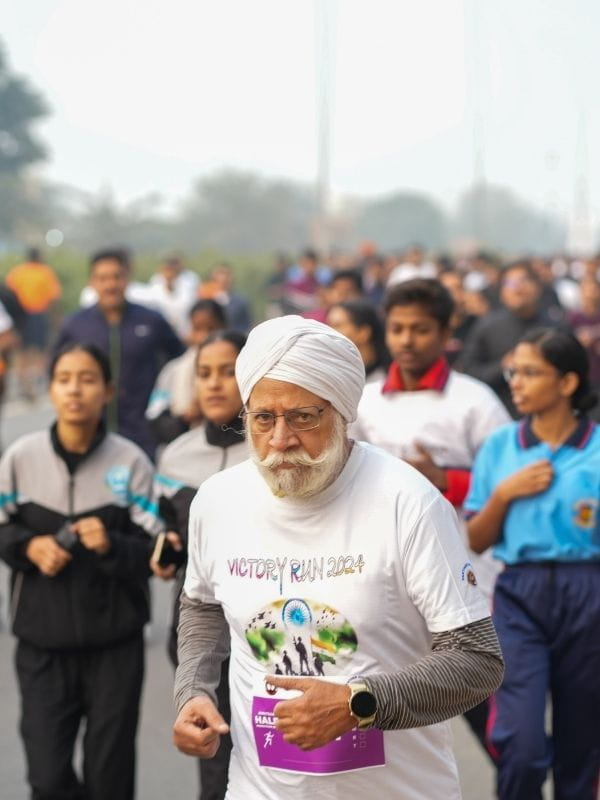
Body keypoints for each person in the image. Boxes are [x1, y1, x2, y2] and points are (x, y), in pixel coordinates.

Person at [172, 315, 503, 798]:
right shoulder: (218, 500)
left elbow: (477, 661)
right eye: (263, 418)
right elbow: (201, 604)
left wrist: (358, 704)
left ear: (342, 413)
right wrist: (193, 690)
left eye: (303, 417)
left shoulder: (406, 500)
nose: (280, 439)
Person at [351, 279, 509, 756]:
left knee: (488, 714)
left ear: (446, 333)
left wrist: (444, 479)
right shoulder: (366, 400)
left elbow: (507, 480)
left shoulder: (475, 401)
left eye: (420, 329)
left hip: (466, 571)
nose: (406, 340)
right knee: (390, 711)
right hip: (383, 572)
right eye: (397, 328)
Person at [0, 342, 162, 800]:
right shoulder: (19, 459)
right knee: (47, 778)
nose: (75, 390)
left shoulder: (130, 463)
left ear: (108, 390)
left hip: (116, 648)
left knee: (109, 779)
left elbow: (156, 552)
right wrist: (28, 545)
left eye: (88, 379)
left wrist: (111, 546)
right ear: (50, 388)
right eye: (65, 379)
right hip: (41, 647)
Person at [465, 328, 600, 800]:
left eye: (529, 373)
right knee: (519, 743)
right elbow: (474, 539)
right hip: (518, 595)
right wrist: (504, 495)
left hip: (589, 594)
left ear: (566, 383)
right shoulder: (501, 448)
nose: (515, 382)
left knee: (580, 743)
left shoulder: (596, 449)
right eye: (512, 372)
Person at [152, 330, 248, 800]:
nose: (213, 385)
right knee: (216, 763)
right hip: (197, 627)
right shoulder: (175, 455)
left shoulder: (273, 451)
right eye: (203, 374)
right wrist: (165, 548)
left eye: (227, 372)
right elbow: (161, 528)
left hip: (264, 628)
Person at [55, 248, 184, 459]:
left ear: (127, 279)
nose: (110, 285)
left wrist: (171, 405)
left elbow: (181, 361)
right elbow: (55, 371)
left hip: (143, 433)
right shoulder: (76, 325)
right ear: (92, 282)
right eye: (102, 278)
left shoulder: (151, 321)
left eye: (117, 277)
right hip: (90, 433)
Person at [459, 260, 565, 416]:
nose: (518, 288)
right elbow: (469, 372)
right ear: (501, 291)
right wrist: (503, 366)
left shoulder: (555, 328)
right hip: (497, 413)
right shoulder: (487, 326)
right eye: (510, 283)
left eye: (525, 281)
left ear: (538, 287)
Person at [146, 300, 227, 445]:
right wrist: (185, 418)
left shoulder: (239, 368)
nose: (204, 337)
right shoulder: (173, 371)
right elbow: (155, 418)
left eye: (211, 328)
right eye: (197, 329)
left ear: (225, 327)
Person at [5, 246, 62, 399]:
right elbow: (53, 298)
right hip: (37, 313)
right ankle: (35, 379)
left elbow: (7, 294)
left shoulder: (17, 272)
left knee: (21, 349)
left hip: (19, 314)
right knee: (39, 348)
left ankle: (24, 379)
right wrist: (56, 319)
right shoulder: (45, 272)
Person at [326, 299, 389, 383]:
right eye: (328, 326)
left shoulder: (388, 379)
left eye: (337, 326)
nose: (328, 332)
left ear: (363, 333)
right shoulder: (331, 375)